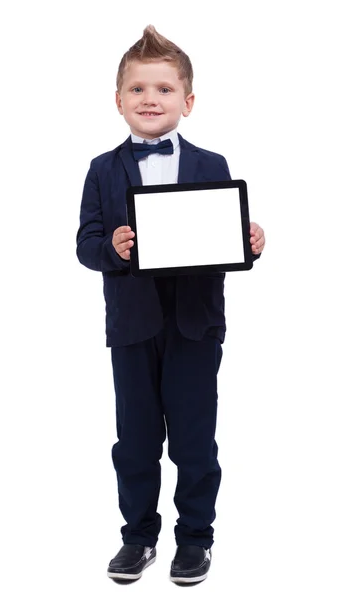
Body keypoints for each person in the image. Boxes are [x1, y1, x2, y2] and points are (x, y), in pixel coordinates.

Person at [76, 24, 265, 585]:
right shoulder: (102, 169)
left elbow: (225, 239)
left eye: (162, 89)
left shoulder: (212, 164)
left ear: (187, 100)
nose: (149, 99)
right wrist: (110, 247)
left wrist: (249, 242)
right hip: (132, 327)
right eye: (137, 90)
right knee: (134, 440)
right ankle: (137, 538)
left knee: (193, 439)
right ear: (118, 101)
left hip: (195, 325)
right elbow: (84, 244)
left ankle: (195, 541)